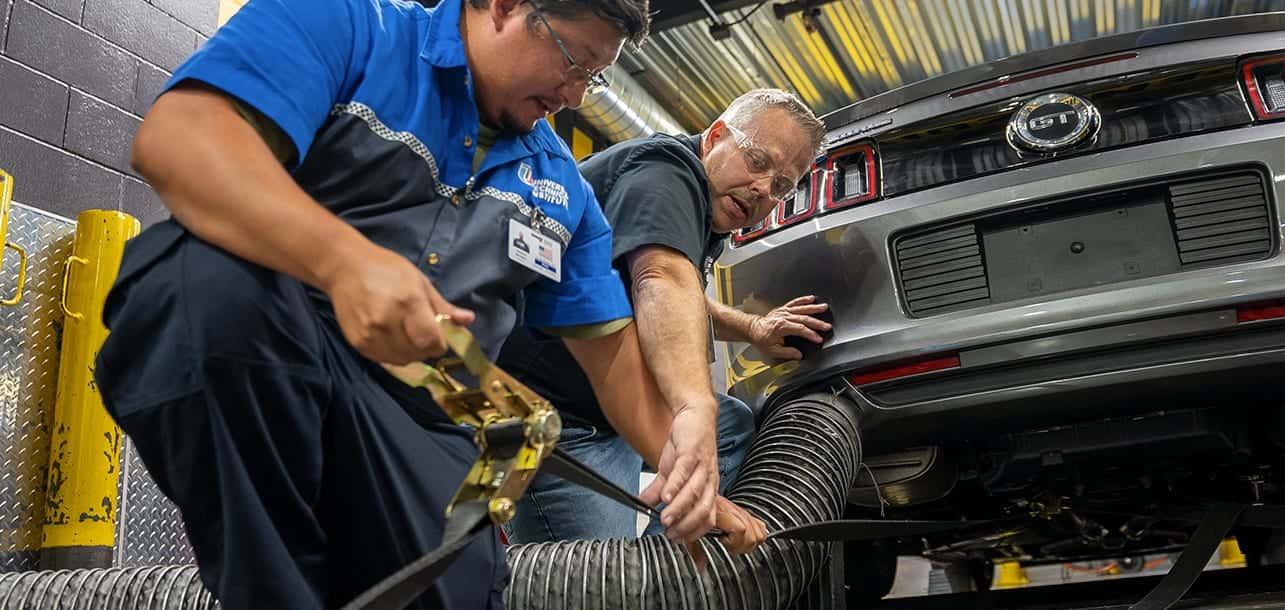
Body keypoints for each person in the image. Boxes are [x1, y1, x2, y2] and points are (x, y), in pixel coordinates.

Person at [93, 0, 732, 608]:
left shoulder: (564, 191)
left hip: (433, 404)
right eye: (573, 62)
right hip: (283, 346)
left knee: (455, 585)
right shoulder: (348, 26)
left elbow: (612, 359)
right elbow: (181, 138)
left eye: (592, 78)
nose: (574, 96)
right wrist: (342, 261)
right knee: (201, 280)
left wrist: (692, 479)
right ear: (507, 6)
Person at [498, 89, 830, 545]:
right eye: (757, 161)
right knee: (602, 587)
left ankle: (664, 561)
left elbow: (683, 291)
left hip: (607, 407)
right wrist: (693, 405)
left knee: (730, 428)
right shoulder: (666, 174)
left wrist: (754, 328)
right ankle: (648, 576)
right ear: (715, 137)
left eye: (781, 186)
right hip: (556, 419)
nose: (762, 189)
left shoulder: (705, 205)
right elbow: (661, 277)